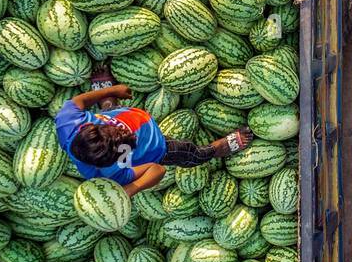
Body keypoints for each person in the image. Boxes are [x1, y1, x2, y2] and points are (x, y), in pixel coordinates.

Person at [55, 77, 252, 198]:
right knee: (190, 154)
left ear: (89, 126)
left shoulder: (69, 123)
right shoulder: (108, 174)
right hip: (158, 148)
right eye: (124, 141)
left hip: (123, 114)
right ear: (111, 161)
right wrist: (131, 189)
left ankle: (108, 103)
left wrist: (111, 90)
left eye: (116, 131)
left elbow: (80, 100)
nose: (128, 133)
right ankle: (216, 149)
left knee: (110, 110)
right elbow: (156, 170)